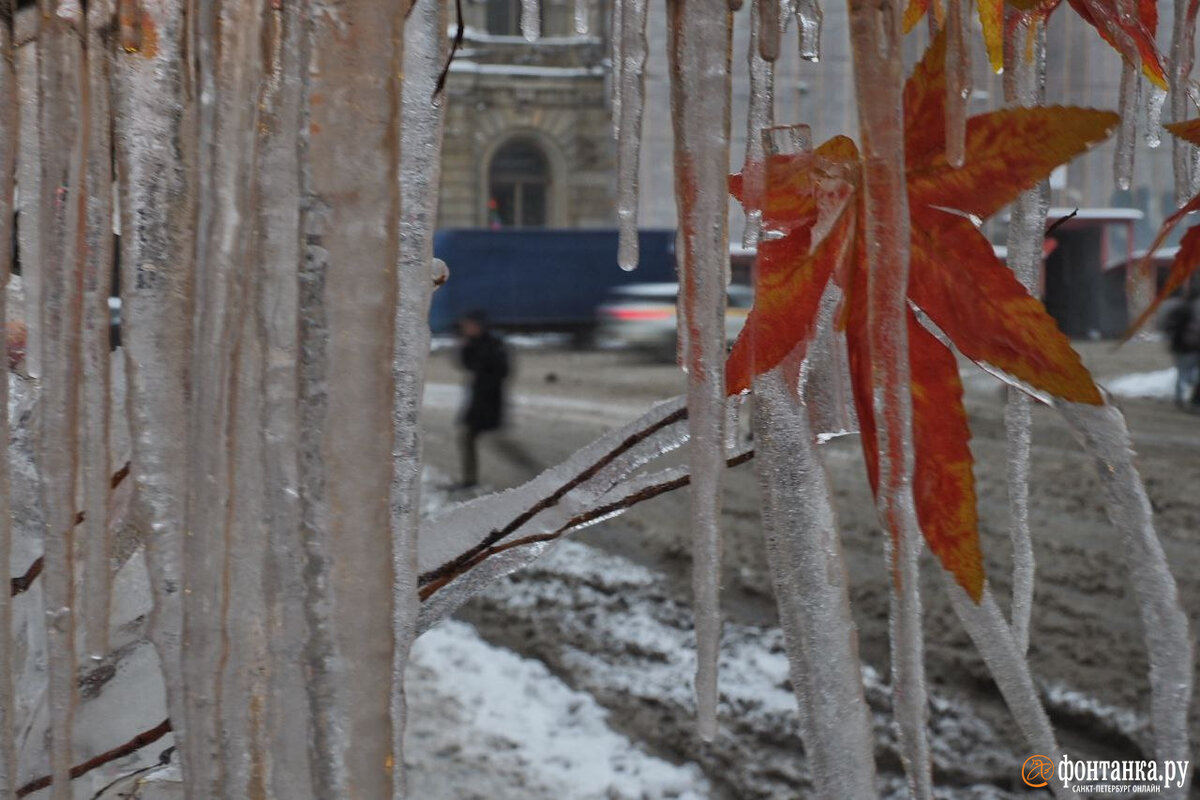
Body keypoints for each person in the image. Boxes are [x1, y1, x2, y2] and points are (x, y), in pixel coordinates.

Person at [454, 310, 538, 488]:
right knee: (469, 438)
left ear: (477, 324)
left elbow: (503, 370)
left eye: (468, 325)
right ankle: (469, 480)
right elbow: (465, 364)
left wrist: (488, 384)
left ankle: (534, 470)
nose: (465, 328)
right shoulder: (474, 343)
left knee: (500, 442)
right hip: (478, 399)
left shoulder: (494, 343)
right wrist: (465, 346)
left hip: (491, 400)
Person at [1162, 285, 1200, 410]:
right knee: (1186, 374)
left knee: (1183, 373)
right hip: (1189, 347)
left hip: (1181, 346)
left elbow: (1167, 327)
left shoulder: (1178, 309)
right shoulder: (1191, 310)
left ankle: (1182, 399)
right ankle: (1185, 399)